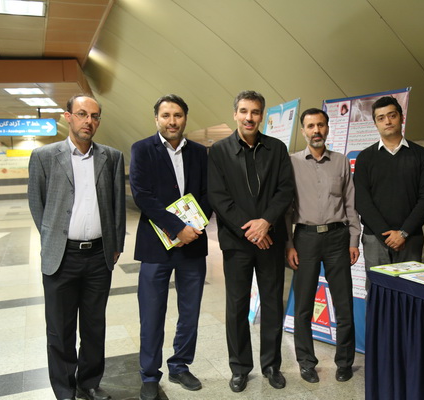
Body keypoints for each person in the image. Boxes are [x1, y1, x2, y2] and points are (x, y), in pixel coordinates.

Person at [28, 94, 125, 400]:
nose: (88, 121)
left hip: (98, 256)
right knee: (60, 328)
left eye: (94, 116)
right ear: (68, 116)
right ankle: (64, 389)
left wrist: (116, 244)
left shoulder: (111, 157)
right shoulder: (44, 156)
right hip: (62, 257)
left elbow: (118, 206)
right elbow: (37, 203)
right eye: (82, 114)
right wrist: (53, 239)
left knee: (95, 326)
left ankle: (89, 382)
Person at [208, 90, 294, 393]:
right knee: (236, 306)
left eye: (255, 112)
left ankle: (271, 366)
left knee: (272, 304)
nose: (249, 117)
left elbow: (285, 190)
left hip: (270, 240)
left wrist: (265, 222)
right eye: (244, 111)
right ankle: (240, 368)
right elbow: (218, 197)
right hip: (237, 242)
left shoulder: (277, 148)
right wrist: (251, 230)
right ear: (235, 114)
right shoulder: (219, 151)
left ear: (262, 116)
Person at [129, 95, 211, 400]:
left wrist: (195, 227)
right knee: (151, 313)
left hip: (193, 244)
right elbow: (142, 195)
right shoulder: (141, 149)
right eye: (166, 115)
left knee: (190, 312)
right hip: (156, 247)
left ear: (185, 118)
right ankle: (150, 375)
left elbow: (208, 193)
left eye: (177, 115)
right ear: (156, 119)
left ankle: (180, 366)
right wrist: (177, 228)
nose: (172, 121)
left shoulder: (200, 153)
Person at [285, 108, 361, 383]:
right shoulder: (291, 163)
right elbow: (286, 208)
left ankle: (344, 362)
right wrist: (289, 244)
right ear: (303, 131)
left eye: (320, 125)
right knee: (303, 306)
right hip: (305, 239)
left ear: (327, 128)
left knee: (344, 304)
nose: (316, 130)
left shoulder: (340, 161)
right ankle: (306, 362)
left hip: (338, 239)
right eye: (310, 126)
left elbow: (350, 203)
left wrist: (354, 239)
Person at [353, 96, 424, 287]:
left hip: (411, 237)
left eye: (392, 115)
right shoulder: (365, 158)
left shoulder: (421, 155)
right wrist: (386, 235)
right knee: (377, 293)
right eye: (381, 118)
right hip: (375, 238)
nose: (387, 121)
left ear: (401, 117)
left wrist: (403, 233)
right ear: (375, 124)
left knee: (409, 293)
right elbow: (362, 199)